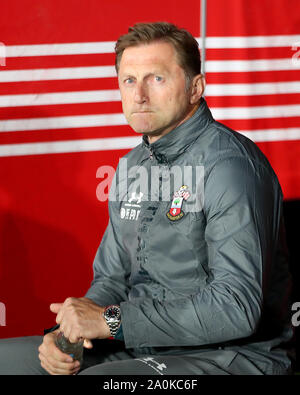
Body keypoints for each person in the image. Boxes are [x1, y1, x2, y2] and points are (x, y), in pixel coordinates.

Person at [0, 22, 295, 375]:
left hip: (232, 357)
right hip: (142, 346)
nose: (139, 94)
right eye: (129, 80)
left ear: (195, 88)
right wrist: (71, 334)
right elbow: (111, 279)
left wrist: (111, 321)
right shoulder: (131, 166)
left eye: (156, 79)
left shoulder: (230, 167)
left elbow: (235, 308)